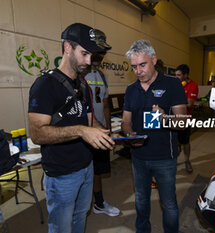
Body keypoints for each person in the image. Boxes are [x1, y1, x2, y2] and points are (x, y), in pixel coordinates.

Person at [28, 23, 116, 233]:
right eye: (84, 53)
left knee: (80, 217)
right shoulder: (44, 85)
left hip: (86, 167)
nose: (89, 61)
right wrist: (80, 131)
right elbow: (37, 133)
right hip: (61, 175)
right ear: (68, 47)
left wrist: (105, 132)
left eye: (91, 55)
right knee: (61, 227)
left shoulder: (82, 84)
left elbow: (88, 121)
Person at [122, 39, 187, 233]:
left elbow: (182, 122)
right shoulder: (131, 90)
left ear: (154, 59)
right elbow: (126, 121)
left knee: (168, 203)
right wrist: (128, 134)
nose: (138, 71)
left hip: (164, 158)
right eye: (134, 67)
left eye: (142, 65)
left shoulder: (172, 84)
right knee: (141, 200)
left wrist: (164, 118)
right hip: (138, 157)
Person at [83, 30, 120, 217]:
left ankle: (98, 203)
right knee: (82, 173)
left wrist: (109, 130)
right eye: (97, 52)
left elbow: (105, 105)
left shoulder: (102, 76)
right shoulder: (79, 75)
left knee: (97, 170)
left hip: (100, 131)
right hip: (83, 134)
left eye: (103, 53)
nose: (100, 56)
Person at [175, 64, 198, 173]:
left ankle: (187, 161)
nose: (177, 77)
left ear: (186, 75)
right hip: (173, 119)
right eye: (176, 75)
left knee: (185, 142)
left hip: (185, 119)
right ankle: (173, 160)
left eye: (179, 75)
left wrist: (174, 102)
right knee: (174, 141)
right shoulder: (175, 84)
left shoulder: (193, 86)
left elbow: (189, 104)